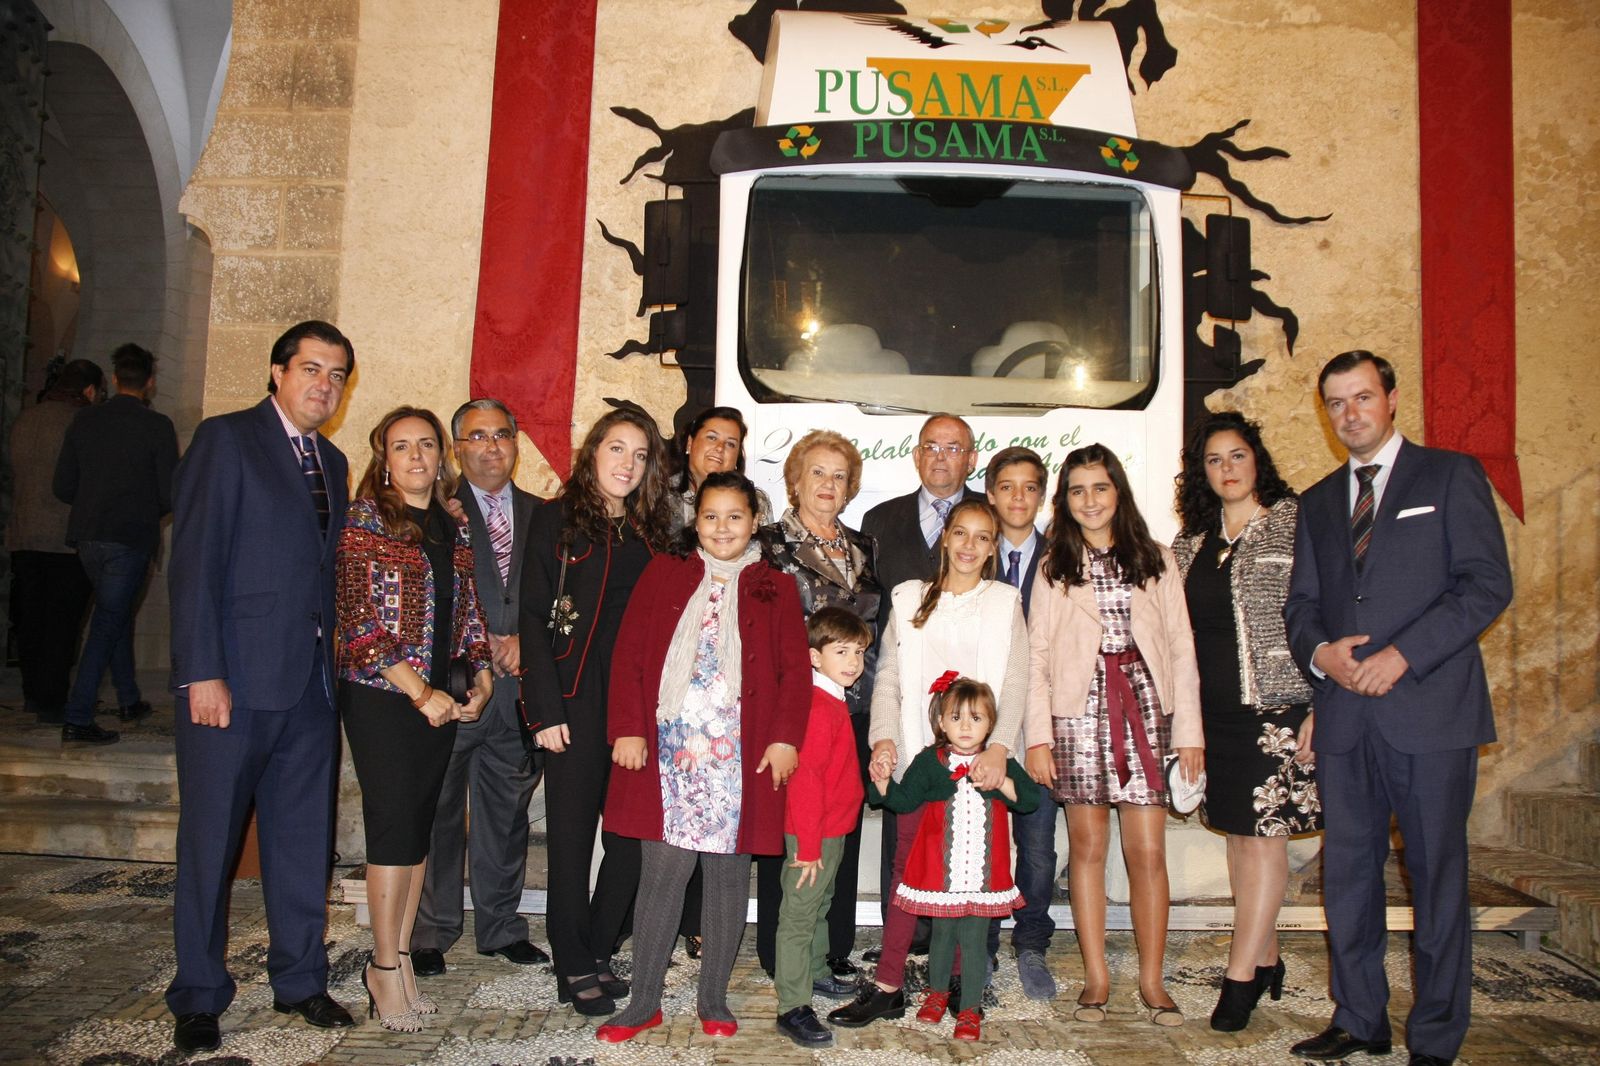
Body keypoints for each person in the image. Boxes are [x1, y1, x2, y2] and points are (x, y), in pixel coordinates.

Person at [1285, 351, 1511, 1066]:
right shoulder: (1319, 500)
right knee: (1347, 873)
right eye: (1337, 403)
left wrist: (1401, 655)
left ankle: (1436, 1038)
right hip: (1347, 718)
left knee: (1436, 875)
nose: (1350, 414)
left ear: (1390, 399)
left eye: (1362, 398)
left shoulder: (1449, 476)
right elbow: (1301, 608)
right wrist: (1324, 656)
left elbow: (1485, 585)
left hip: (1430, 713)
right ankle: (1360, 1019)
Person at [166, 320, 356, 1055]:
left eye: (337, 374)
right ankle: (199, 993)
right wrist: (200, 671)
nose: (324, 385)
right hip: (233, 685)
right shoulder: (226, 440)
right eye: (311, 368)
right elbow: (195, 564)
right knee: (211, 844)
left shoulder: (332, 462)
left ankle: (301, 980)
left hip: (310, 688)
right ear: (277, 371)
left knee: (302, 843)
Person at [595, 471, 810, 1042]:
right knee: (662, 875)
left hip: (740, 760)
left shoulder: (777, 586)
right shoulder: (664, 574)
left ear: (754, 521)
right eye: (711, 516)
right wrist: (628, 730)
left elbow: (795, 674)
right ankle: (643, 1002)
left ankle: (713, 997)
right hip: (670, 752)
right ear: (696, 520)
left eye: (734, 516)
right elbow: (630, 657)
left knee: (725, 877)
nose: (722, 528)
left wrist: (785, 738)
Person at [1022, 443, 1203, 1027]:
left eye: (1100, 488)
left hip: (1146, 712)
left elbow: (1181, 646)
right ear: (1065, 501)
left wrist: (1191, 733)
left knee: (1147, 850)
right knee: (1088, 849)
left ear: (1118, 492)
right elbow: (1038, 656)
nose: (1090, 500)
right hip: (1076, 715)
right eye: (1077, 490)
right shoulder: (1054, 566)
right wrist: (1037, 738)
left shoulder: (1156, 558)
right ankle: (1096, 977)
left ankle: (1153, 979)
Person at [832, 498, 1027, 1029]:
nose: (968, 546)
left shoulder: (1005, 602)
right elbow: (890, 679)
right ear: (945, 537)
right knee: (905, 874)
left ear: (992, 547)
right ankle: (889, 985)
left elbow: (1015, 682)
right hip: (921, 763)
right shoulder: (909, 596)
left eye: (982, 537)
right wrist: (884, 742)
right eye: (960, 533)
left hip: (980, 765)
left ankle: (961, 983)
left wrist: (998, 749)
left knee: (972, 878)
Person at [336, 406, 495, 1031]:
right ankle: (380, 964)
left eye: (426, 445)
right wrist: (417, 691)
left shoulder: (450, 525)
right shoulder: (364, 521)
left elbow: (469, 609)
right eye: (401, 447)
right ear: (384, 458)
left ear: (441, 456)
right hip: (383, 698)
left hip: (442, 696)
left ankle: (400, 958)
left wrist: (480, 673)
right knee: (392, 827)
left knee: (422, 828)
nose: (416, 457)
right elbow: (358, 620)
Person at [518, 405, 674, 1015]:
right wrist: (544, 709)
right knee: (573, 838)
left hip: (637, 706)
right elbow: (532, 615)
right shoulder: (556, 520)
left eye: (640, 456)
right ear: (593, 452)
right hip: (575, 699)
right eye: (617, 450)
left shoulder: (653, 531)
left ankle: (600, 944)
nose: (628, 465)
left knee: (632, 840)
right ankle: (572, 960)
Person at [1172, 410, 1320, 1031]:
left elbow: (1326, 615)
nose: (1227, 468)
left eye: (1237, 455)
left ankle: (1239, 979)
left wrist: (1323, 704)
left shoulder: (1296, 525)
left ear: (1256, 459)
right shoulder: (1190, 545)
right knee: (1237, 837)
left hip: (1279, 710)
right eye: (1214, 459)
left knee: (1264, 841)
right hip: (1215, 715)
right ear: (1201, 473)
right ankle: (1267, 957)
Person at [410, 400, 548, 979]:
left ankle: (500, 927)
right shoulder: (435, 513)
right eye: (476, 437)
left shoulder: (548, 515)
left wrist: (529, 640)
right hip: (454, 692)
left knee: (506, 813)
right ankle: (434, 931)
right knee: (438, 811)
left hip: (518, 695)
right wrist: (480, 642)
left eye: (501, 436)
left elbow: (565, 601)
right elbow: (418, 605)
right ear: (457, 447)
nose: (491, 447)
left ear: (516, 443)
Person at [755, 428, 882, 984]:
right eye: (817, 473)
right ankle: (779, 953)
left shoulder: (863, 547)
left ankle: (830, 951)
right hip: (795, 709)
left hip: (855, 708)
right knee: (794, 825)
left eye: (839, 475)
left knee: (841, 828)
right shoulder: (769, 544)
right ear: (795, 480)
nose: (828, 484)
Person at [858, 412, 984, 959]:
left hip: (973, 706)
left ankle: (964, 936)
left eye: (953, 448)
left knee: (967, 821)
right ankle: (904, 934)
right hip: (906, 691)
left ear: (971, 459)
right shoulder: (879, 520)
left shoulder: (988, 515)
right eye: (931, 446)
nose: (940, 457)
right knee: (906, 822)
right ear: (915, 455)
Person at [875, 677, 1038, 1042]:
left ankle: (969, 1007)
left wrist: (1002, 784)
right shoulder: (930, 763)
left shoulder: (1001, 762)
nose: (966, 727)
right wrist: (884, 782)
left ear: (991, 723)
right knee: (942, 935)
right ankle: (937, 993)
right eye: (957, 717)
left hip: (982, 873)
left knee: (974, 938)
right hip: (939, 873)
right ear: (941, 722)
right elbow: (904, 802)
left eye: (976, 718)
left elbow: (1029, 801)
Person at [52, 343, 178, 743]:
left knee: (114, 614)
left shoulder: (85, 420)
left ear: (113, 380)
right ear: (150, 383)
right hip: (130, 535)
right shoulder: (156, 426)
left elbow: (63, 485)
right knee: (107, 623)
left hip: (88, 535)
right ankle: (77, 715)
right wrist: (143, 510)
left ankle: (128, 699)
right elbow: (170, 493)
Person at [774, 606, 871, 1048]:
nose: (853, 661)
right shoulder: (817, 706)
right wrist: (809, 847)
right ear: (814, 656)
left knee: (820, 902)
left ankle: (814, 973)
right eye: (841, 651)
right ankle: (792, 1004)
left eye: (859, 652)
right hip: (811, 834)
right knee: (798, 913)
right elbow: (805, 783)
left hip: (831, 830)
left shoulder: (834, 699)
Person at [984, 446, 1058, 1000]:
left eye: (1028, 487)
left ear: (1042, 494)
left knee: (1037, 845)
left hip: (1041, 726)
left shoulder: (1064, 556)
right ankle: (979, 942)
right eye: (1006, 486)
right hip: (981, 726)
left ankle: (1031, 942)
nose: (1017, 497)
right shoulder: (972, 552)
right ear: (989, 493)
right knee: (982, 839)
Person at [6, 359, 102, 724]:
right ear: (90, 391)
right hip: (65, 538)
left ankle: (33, 694)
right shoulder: (80, 421)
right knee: (62, 624)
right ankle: (52, 699)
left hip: (24, 533)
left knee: (31, 618)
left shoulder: (27, 418)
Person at [667, 406, 771, 532]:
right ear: (690, 442)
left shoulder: (756, 501)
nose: (720, 447)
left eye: (730, 444)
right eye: (712, 438)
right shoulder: (659, 495)